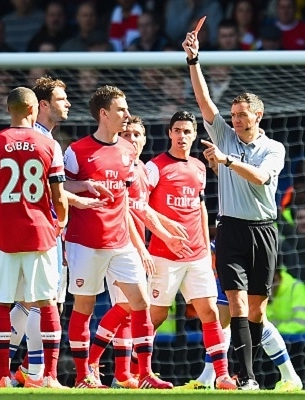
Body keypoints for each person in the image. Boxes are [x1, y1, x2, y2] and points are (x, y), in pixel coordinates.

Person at [184, 29, 286, 390]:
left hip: (264, 230)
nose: (237, 120)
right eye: (234, 115)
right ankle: (246, 377)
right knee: (238, 304)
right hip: (230, 229)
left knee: (258, 309)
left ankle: (255, 370)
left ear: (258, 115)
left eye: (243, 114)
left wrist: (226, 161)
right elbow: (203, 100)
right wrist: (193, 60)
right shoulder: (224, 133)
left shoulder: (274, 148)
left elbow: (259, 179)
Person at [63, 85, 172, 389]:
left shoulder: (127, 152)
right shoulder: (76, 150)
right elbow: (57, 189)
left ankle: (145, 374)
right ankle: (84, 375)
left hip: (121, 241)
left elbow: (126, 203)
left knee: (140, 303)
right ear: (103, 114)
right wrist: (84, 185)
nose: (126, 114)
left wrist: (138, 243)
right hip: (85, 241)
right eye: (121, 109)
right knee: (83, 307)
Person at [87, 115, 191, 389]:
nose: (132, 139)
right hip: (119, 246)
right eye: (128, 134)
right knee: (127, 306)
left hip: (131, 247)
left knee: (130, 310)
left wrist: (167, 226)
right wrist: (141, 246)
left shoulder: (142, 169)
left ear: (145, 139)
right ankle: (92, 364)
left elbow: (142, 209)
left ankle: (123, 374)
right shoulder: (121, 168)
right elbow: (124, 213)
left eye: (137, 135)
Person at [0, 86, 68, 388]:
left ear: (9, 110)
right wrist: (62, 222)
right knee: (46, 303)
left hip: (4, 234)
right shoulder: (49, 144)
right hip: (39, 233)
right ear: (33, 109)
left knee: (2, 303)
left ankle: (2, 375)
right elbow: (58, 193)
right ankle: (50, 376)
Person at [143, 111, 236, 390]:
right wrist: (166, 235)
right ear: (169, 133)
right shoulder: (154, 167)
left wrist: (207, 251)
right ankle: (138, 372)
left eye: (187, 131)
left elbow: (201, 210)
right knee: (155, 316)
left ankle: (222, 375)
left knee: (210, 312)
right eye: (177, 130)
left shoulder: (199, 167)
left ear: (195, 134)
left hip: (197, 255)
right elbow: (140, 207)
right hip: (164, 254)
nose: (182, 136)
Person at [178, 240, 304, 391]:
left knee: (254, 317)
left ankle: (289, 376)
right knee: (221, 319)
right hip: (229, 244)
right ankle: (207, 378)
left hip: (245, 243)